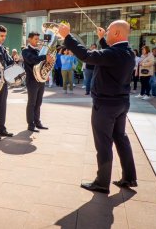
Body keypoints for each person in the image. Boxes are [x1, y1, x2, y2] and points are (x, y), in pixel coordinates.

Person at [59, 20, 137, 194]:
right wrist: (103, 39)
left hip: (105, 105)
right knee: (121, 139)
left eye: (108, 30)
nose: (106, 32)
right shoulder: (129, 52)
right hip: (121, 103)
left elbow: (88, 56)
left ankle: (102, 183)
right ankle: (129, 177)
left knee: (103, 144)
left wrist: (67, 37)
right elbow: (109, 56)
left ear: (117, 33)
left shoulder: (113, 53)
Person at [22, 32, 53, 132]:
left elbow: (42, 65)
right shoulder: (25, 51)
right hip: (32, 80)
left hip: (40, 80)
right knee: (32, 103)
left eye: (38, 39)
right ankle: (30, 125)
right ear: (29, 39)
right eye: (35, 39)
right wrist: (44, 57)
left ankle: (37, 122)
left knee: (38, 102)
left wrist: (46, 72)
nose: (38, 41)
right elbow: (32, 60)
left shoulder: (38, 51)